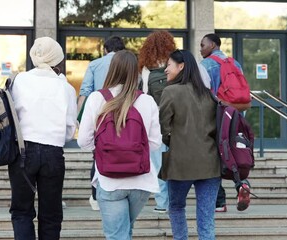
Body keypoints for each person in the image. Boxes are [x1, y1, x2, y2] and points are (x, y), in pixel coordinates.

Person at [77, 50, 162, 240]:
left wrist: (105, 149)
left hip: (109, 180)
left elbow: (83, 141)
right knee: (126, 231)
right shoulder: (147, 101)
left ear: (112, 70)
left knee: (117, 235)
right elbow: (156, 143)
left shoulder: (96, 98)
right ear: (135, 72)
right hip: (141, 180)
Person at [9, 37, 77, 240]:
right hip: (53, 153)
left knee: (22, 211)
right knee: (51, 214)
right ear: (57, 58)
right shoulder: (66, 88)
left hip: (22, 151)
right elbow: (69, 130)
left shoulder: (19, 80)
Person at [159, 49, 221, 240]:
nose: (165, 70)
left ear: (181, 66)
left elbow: (163, 127)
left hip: (180, 164)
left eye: (169, 65)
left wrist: (172, 140)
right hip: (210, 163)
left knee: (177, 207)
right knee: (206, 217)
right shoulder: (209, 94)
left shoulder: (170, 91)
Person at [200, 33, 251, 212]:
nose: (200, 49)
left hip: (215, 117)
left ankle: (219, 202)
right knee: (232, 152)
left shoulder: (205, 65)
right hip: (235, 117)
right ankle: (241, 184)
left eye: (203, 45)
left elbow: (202, 94)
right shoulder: (234, 63)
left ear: (213, 45)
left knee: (215, 157)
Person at [77, 36, 126, 211]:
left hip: (100, 113)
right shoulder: (129, 63)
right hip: (125, 113)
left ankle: (96, 196)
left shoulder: (95, 64)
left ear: (105, 49)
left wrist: (79, 118)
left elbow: (85, 91)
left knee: (98, 154)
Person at [138, 30, 176, 213]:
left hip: (157, 124)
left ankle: (162, 204)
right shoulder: (176, 65)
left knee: (159, 164)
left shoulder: (146, 69)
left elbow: (144, 97)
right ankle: (176, 202)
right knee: (177, 163)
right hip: (178, 122)